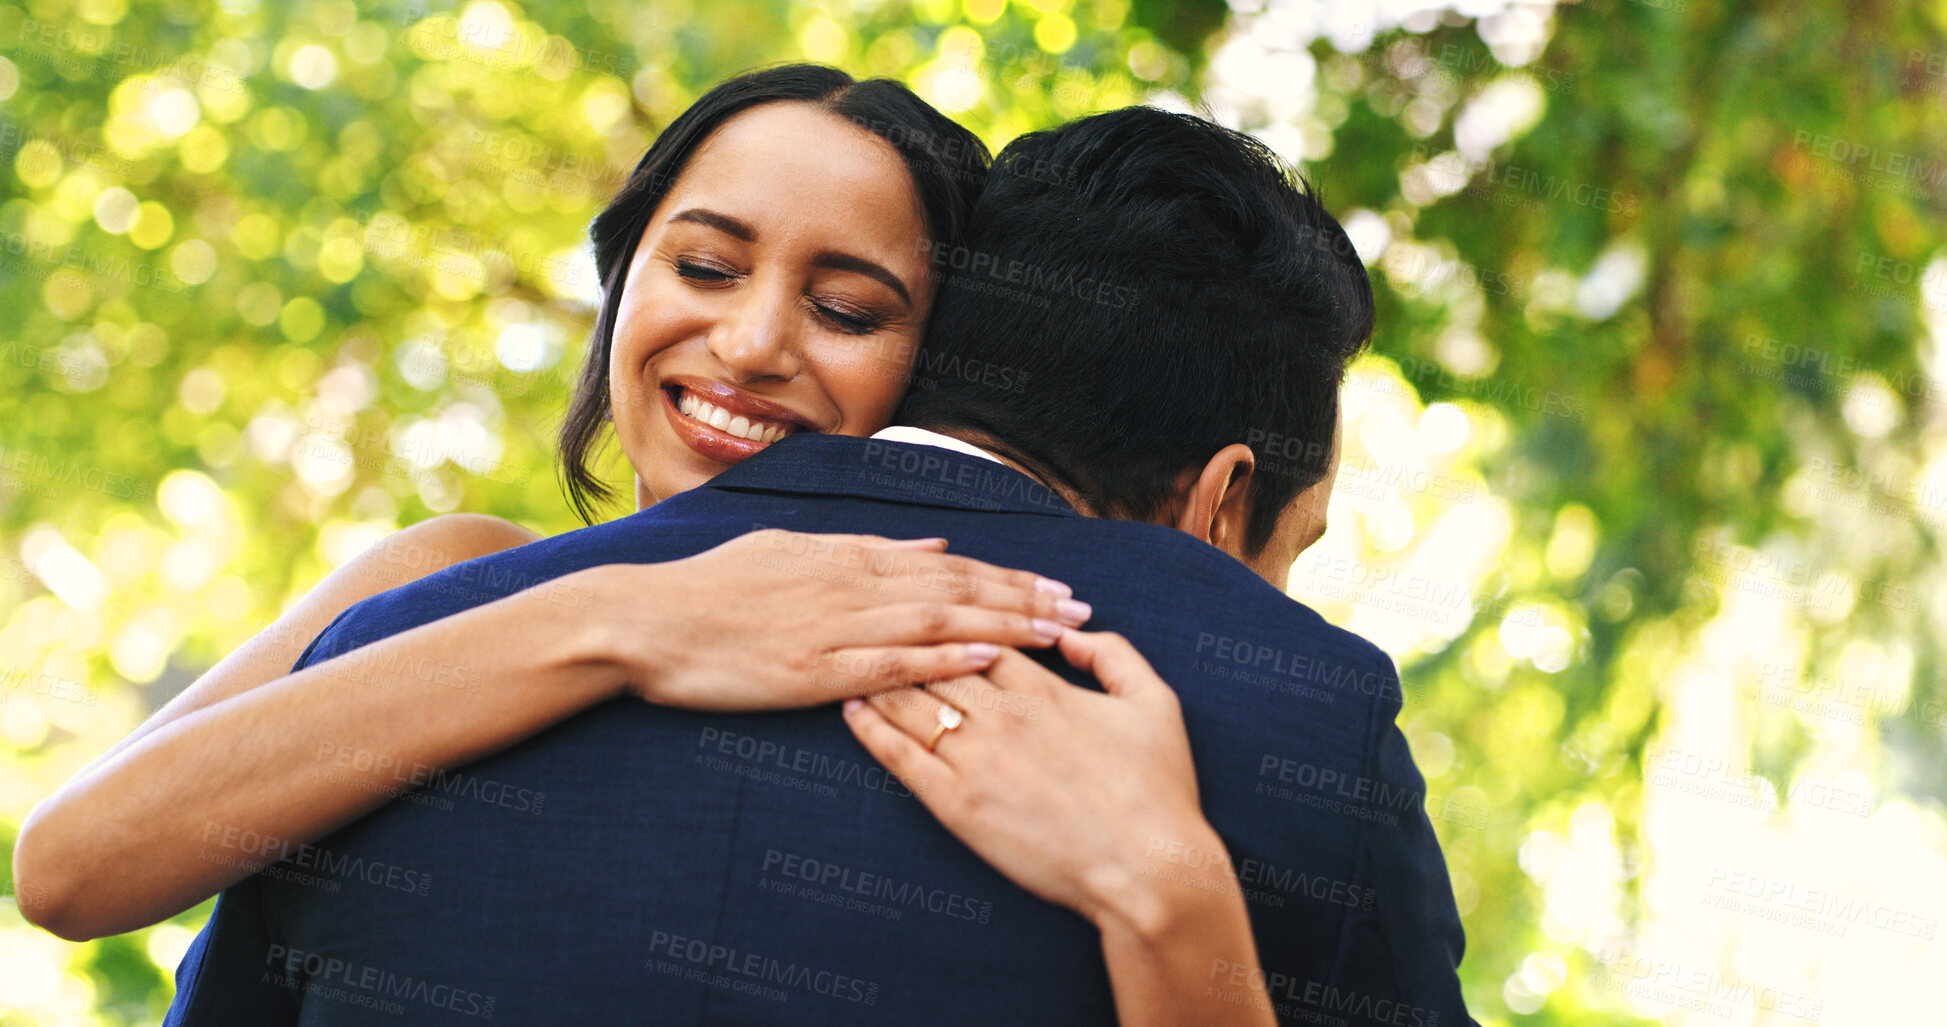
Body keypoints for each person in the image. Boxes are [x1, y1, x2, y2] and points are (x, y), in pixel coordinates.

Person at [159, 103, 1475, 1025]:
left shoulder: (414, 640)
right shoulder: (1304, 719)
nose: (748, 347)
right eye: (1289, 553)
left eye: (839, 305)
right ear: (1226, 496)